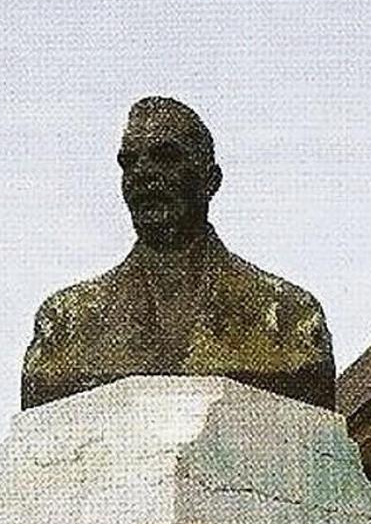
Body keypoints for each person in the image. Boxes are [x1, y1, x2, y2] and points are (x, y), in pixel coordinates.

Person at [20, 97, 335, 411]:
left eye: (166, 157)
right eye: (129, 162)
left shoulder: (290, 319)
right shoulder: (64, 325)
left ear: (211, 181)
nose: (142, 172)